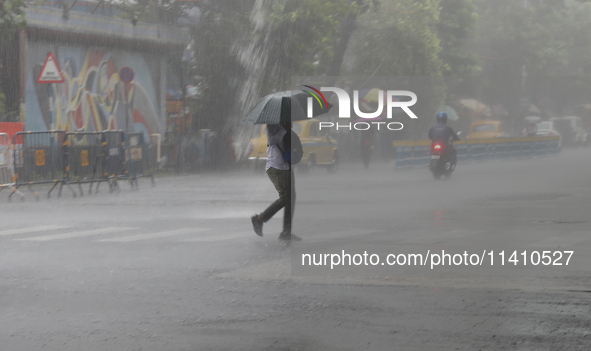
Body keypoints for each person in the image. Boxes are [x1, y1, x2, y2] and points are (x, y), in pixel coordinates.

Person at [251, 122, 295, 241]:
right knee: (285, 197)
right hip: (275, 166)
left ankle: (286, 231)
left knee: (290, 198)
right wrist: (284, 130)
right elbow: (271, 140)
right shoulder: (272, 123)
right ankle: (259, 219)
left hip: (285, 165)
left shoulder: (286, 122)